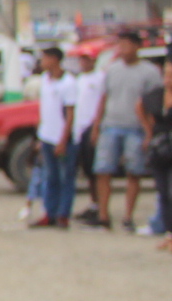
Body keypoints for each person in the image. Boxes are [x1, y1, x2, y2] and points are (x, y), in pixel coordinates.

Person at [94, 31, 157, 233]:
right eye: (120, 45)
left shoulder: (149, 72)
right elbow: (103, 98)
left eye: (126, 45)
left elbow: (153, 104)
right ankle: (103, 215)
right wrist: (96, 125)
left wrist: (150, 131)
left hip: (136, 128)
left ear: (137, 46)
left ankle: (128, 216)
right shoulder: (112, 69)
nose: (122, 50)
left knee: (134, 172)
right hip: (111, 125)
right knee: (103, 170)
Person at [32, 46, 78, 229]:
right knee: (50, 177)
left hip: (62, 138)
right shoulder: (45, 80)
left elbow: (70, 114)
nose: (42, 62)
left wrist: (63, 140)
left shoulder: (68, 83)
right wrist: (40, 136)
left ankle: (63, 214)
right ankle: (49, 212)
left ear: (54, 59)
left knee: (66, 177)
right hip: (47, 136)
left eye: (45, 58)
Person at [141, 58, 172, 253]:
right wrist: (148, 131)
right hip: (161, 147)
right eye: (166, 75)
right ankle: (169, 233)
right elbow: (140, 106)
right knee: (163, 192)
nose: (168, 79)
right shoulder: (157, 94)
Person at [71, 50, 106, 224]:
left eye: (87, 60)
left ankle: (100, 206)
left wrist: (97, 126)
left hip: (92, 127)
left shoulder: (100, 79)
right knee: (87, 169)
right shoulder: (78, 80)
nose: (83, 63)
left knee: (95, 170)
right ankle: (93, 204)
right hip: (79, 129)